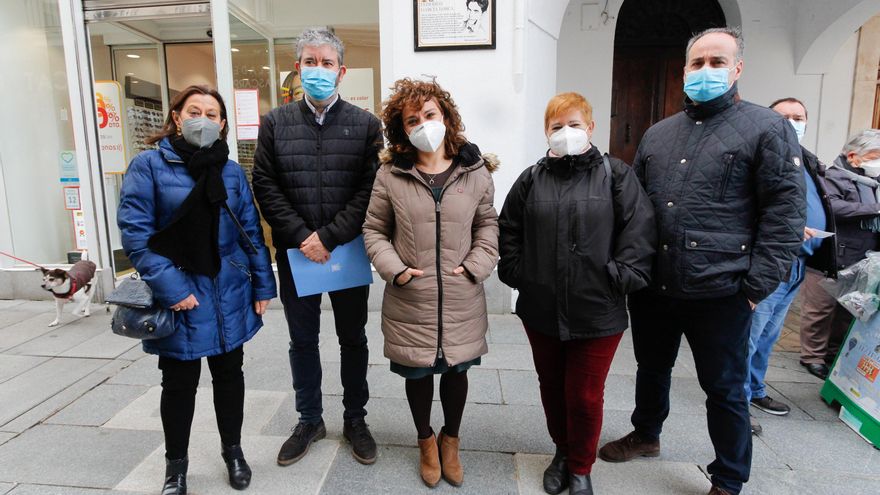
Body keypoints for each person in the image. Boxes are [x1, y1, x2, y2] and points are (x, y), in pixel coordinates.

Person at [598, 27, 806, 495]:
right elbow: (636, 207)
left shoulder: (767, 128)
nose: (705, 70)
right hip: (656, 284)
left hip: (723, 289)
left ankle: (728, 477)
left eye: (717, 62)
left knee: (724, 388)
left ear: (737, 69)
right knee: (652, 367)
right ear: (685, 70)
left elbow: (785, 214)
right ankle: (646, 434)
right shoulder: (659, 134)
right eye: (697, 63)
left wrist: (756, 287)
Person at [118, 84, 277, 495]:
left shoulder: (230, 171)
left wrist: (263, 283)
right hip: (180, 294)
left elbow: (250, 232)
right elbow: (136, 235)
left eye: (211, 114)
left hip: (228, 290)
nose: (202, 120)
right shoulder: (149, 166)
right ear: (177, 117)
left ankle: (233, 451)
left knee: (230, 375)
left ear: (222, 124)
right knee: (179, 383)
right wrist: (172, 289)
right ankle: (176, 467)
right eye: (194, 112)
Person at [498, 92, 655, 495]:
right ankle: (563, 452)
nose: (565, 132)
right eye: (557, 126)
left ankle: (582, 466)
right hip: (541, 307)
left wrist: (618, 278)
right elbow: (509, 228)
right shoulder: (531, 179)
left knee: (585, 395)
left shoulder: (616, 175)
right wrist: (519, 273)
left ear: (590, 127)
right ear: (546, 131)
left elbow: (639, 230)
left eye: (573, 124)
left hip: (597, 309)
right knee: (551, 387)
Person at [252, 27, 383, 467]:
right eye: (311, 62)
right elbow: (265, 184)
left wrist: (329, 236)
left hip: (346, 251)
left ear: (342, 71)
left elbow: (371, 188)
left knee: (353, 338)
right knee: (302, 340)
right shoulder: (275, 123)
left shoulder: (366, 125)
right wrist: (302, 237)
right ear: (298, 68)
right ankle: (309, 419)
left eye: (327, 63)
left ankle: (355, 418)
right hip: (295, 254)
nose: (319, 70)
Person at [362, 78, 499, 488]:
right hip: (412, 296)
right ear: (402, 129)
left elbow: (487, 225)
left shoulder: (475, 171)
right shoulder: (391, 175)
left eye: (430, 114)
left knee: (457, 371)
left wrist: (475, 266)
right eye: (412, 120)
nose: (423, 124)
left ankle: (450, 440)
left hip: (461, 295)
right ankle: (425, 441)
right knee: (417, 374)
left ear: (446, 117)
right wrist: (396, 270)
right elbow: (374, 230)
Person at [745, 97, 837, 436]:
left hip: (798, 263)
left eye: (799, 117)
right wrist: (788, 229)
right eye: (784, 117)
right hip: (770, 261)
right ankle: (736, 403)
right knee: (749, 337)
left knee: (769, 336)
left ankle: (755, 390)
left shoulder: (806, 159)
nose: (792, 122)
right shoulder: (758, 156)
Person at [800, 129, 880, 379]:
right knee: (820, 309)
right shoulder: (833, 176)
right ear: (854, 156)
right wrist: (875, 209)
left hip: (862, 258)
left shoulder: (874, 183)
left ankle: (834, 353)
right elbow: (833, 207)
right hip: (832, 255)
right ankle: (812, 356)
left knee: (849, 309)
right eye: (877, 156)